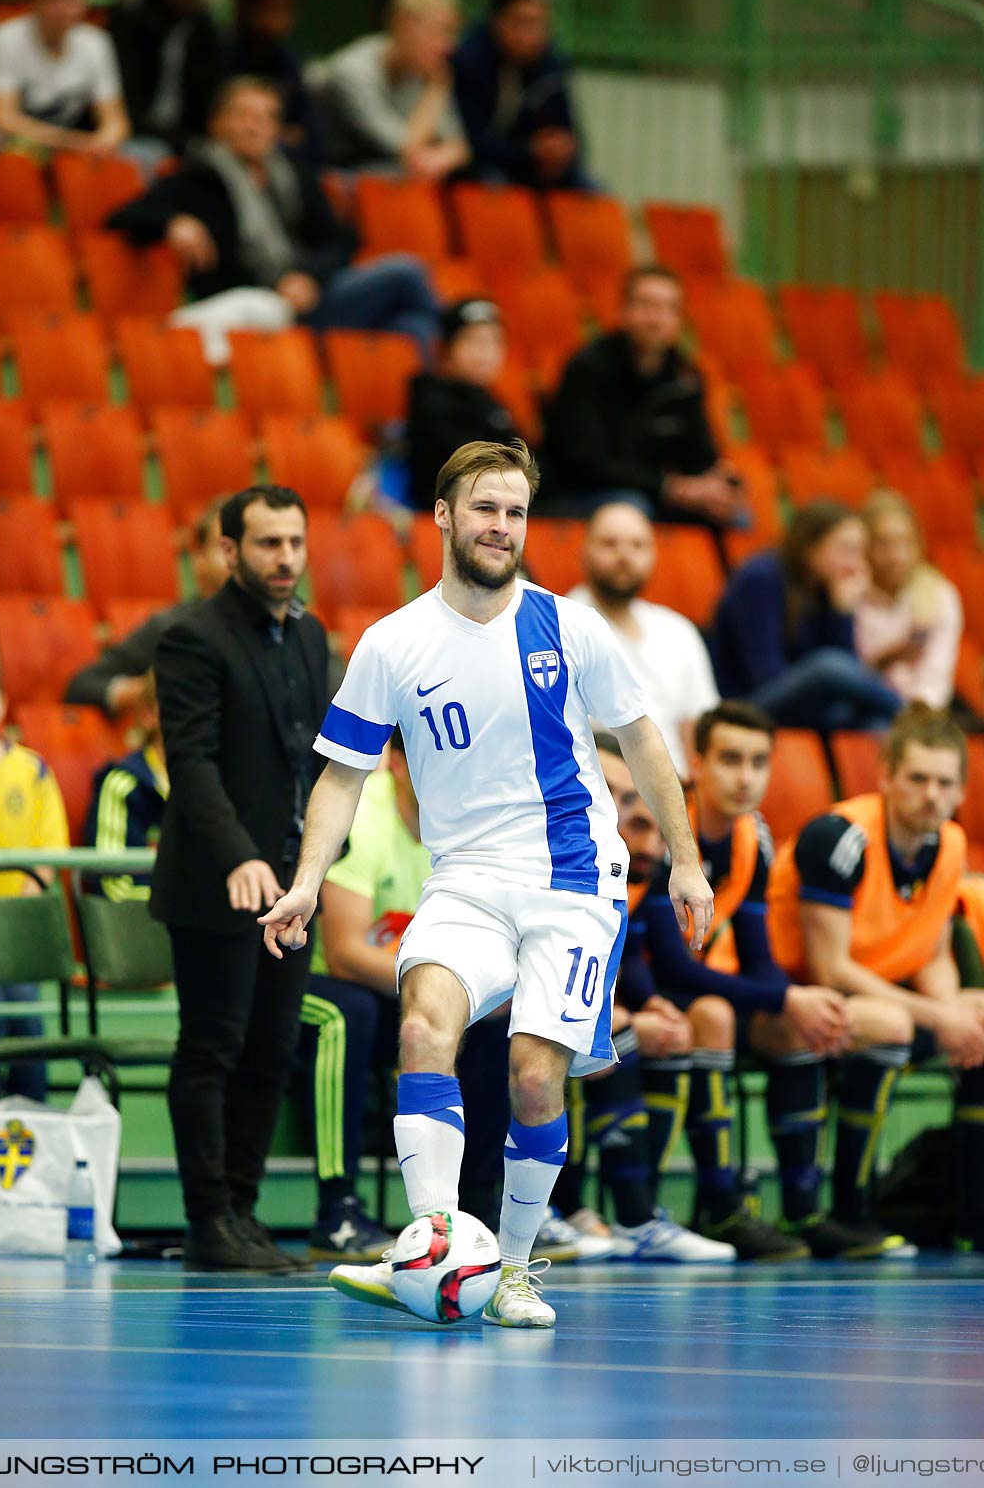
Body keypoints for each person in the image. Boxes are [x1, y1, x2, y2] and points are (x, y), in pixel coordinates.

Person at [260, 437, 714, 1327]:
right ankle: (432, 1241)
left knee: (533, 1075)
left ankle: (511, 1273)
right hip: (464, 878)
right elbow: (344, 776)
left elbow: (643, 739)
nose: (501, 527)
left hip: (573, 879)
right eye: (484, 508)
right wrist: (308, 879)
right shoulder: (392, 642)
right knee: (425, 1022)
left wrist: (688, 858)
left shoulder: (568, 625)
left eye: (515, 511)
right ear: (442, 517)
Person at [634, 700, 921, 1258]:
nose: (746, 778)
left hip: (712, 989)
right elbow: (673, 965)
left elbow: (759, 954)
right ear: (697, 759)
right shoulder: (667, 825)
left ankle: (805, 1211)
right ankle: (717, 1208)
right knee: (721, 1016)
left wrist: (791, 1003)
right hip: (643, 988)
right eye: (731, 760)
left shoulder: (752, 837)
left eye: (759, 762)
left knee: (800, 1024)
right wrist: (787, 995)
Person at [151, 485, 331, 1273]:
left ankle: (245, 1214)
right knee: (212, 1049)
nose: (285, 558)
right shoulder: (192, 638)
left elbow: (311, 759)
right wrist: (240, 856)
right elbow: (190, 766)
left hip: (290, 886)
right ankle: (207, 1222)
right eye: (267, 544)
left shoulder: (311, 635)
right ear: (229, 551)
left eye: (294, 541)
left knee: (271, 1050)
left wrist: (313, 863)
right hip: (217, 883)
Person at [767, 701, 984, 1253]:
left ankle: (970, 1217)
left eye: (944, 782)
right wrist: (940, 1016)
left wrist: (956, 1013)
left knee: (979, 1018)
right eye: (917, 778)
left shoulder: (951, 843)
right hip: (786, 996)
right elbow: (830, 968)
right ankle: (847, 1210)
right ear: (886, 775)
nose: (931, 794)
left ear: (961, 791)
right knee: (890, 1023)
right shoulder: (839, 838)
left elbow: (933, 954)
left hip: (876, 994)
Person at [295, 726, 514, 1262]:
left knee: (497, 1020)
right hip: (323, 982)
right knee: (350, 1016)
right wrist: (445, 986)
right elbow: (345, 950)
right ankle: (337, 1211)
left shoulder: (477, 825)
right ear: (394, 763)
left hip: (410, 987)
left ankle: (480, 1213)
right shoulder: (362, 816)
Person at [550, 733, 736, 1263]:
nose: (618, 810)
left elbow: (628, 952)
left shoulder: (620, 860)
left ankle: (636, 1215)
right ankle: (577, 1208)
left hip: (568, 997)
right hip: (506, 1002)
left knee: (660, 1028)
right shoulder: (543, 843)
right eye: (606, 791)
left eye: (629, 799)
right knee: (615, 1033)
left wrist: (647, 1000)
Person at [106, 76, 440, 359]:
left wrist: (307, 277)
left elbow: (342, 239)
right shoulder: (199, 176)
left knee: (411, 325)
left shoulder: (293, 173)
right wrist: (173, 222)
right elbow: (123, 215)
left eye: (265, 118)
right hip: (258, 305)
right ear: (217, 122)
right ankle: (460, 348)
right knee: (407, 272)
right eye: (243, 115)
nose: (254, 126)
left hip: (312, 296)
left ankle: (402, 426)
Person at [543, 267, 746, 528]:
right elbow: (585, 463)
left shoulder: (685, 378)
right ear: (624, 311)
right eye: (647, 305)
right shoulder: (587, 368)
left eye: (668, 309)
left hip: (654, 492)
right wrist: (670, 487)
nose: (656, 319)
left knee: (735, 516)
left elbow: (700, 455)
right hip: (582, 492)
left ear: (678, 320)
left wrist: (717, 483)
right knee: (631, 510)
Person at [710, 500, 904, 733]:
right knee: (827, 665)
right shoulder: (761, 577)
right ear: (810, 548)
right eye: (845, 550)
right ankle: (910, 713)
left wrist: (841, 612)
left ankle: (906, 724)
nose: (855, 563)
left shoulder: (827, 588)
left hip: (802, 705)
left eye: (859, 552)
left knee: (878, 725)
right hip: (746, 704)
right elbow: (765, 675)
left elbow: (849, 674)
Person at [568, 501, 719, 779]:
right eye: (610, 543)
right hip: (599, 790)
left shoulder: (677, 629)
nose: (625, 555)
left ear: (653, 554)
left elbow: (698, 726)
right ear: (584, 550)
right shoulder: (561, 625)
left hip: (677, 789)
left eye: (638, 545)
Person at [0, 654, 69, 1102]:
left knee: (27, 1020)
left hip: (19, 935)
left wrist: (16, 914)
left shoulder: (32, 770)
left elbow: (47, 852)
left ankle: (35, 1121)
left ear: (2, 703)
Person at [64, 502, 230, 719]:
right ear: (199, 560)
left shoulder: (283, 623)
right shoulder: (173, 627)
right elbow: (83, 686)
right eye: (227, 548)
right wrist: (148, 690)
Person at [318, 0, 469, 180]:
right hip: (334, 174)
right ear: (403, 25)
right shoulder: (352, 70)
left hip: (390, 172)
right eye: (439, 32)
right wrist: (436, 89)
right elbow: (405, 148)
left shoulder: (425, 69)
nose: (449, 46)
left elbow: (459, 146)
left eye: (452, 34)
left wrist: (438, 159)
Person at [452, 0, 587, 189]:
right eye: (523, 22)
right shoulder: (469, 60)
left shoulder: (551, 65)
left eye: (540, 23)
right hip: (480, 167)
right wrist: (529, 150)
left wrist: (561, 151)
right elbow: (470, 139)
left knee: (591, 191)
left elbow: (569, 132)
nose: (531, 35)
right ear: (498, 19)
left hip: (534, 168)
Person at [406, 297, 521, 512]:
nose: (485, 351)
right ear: (446, 349)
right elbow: (466, 467)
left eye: (495, 341)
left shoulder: (493, 403)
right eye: (473, 340)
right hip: (450, 511)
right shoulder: (430, 400)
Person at [0, 0, 130, 155]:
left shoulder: (96, 43)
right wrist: (72, 142)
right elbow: (3, 118)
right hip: (6, 150)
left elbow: (116, 122)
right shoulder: (6, 38)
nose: (66, 9)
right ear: (36, 1)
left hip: (70, 152)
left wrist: (103, 141)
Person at [855, 490, 963, 710]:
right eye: (884, 544)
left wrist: (917, 720)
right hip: (862, 708)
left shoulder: (939, 595)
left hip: (921, 714)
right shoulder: (849, 593)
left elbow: (936, 678)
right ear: (864, 547)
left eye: (906, 543)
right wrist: (887, 658)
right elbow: (845, 674)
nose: (897, 556)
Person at [109, 0, 224, 157]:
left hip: (188, 136)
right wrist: (181, 141)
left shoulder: (203, 27)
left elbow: (209, 94)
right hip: (136, 132)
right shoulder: (131, 20)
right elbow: (125, 101)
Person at [83, 672, 167, 903]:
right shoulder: (123, 784)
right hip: (138, 930)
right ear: (150, 714)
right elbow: (112, 885)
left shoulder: (222, 785)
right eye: (181, 704)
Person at [227, 0, 324, 168]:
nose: (278, 20)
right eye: (272, 8)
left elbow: (311, 135)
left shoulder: (289, 60)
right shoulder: (220, 54)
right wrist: (278, 134)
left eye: (287, 9)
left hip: (281, 162)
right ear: (250, 8)